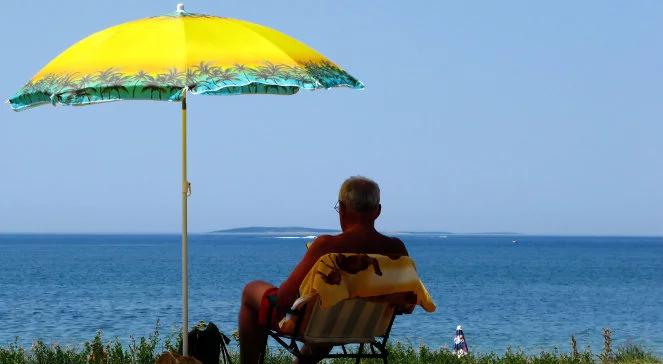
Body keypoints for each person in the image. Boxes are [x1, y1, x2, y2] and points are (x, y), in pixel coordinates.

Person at [238, 176, 409, 364]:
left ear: (342, 209)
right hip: (366, 327)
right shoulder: (397, 250)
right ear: (377, 211)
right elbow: (405, 305)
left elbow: (283, 299)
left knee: (251, 290)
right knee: (328, 312)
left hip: (315, 326)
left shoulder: (326, 246)